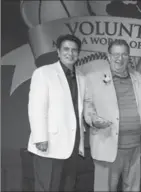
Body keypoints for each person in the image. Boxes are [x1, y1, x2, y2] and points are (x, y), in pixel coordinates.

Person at [84, 39, 141, 192]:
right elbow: (88, 106)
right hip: (108, 144)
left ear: (129, 56)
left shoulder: (138, 78)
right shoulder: (94, 78)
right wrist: (93, 119)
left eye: (124, 54)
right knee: (104, 189)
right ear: (108, 56)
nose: (120, 59)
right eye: (116, 54)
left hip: (135, 146)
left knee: (133, 188)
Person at [27, 34, 85, 191]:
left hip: (72, 145)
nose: (70, 53)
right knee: (47, 187)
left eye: (74, 50)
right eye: (66, 49)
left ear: (78, 53)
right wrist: (40, 138)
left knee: (67, 187)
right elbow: (36, 107)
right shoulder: (43, 73)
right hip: (49, 144)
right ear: (58, 52)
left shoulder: (81, 77)